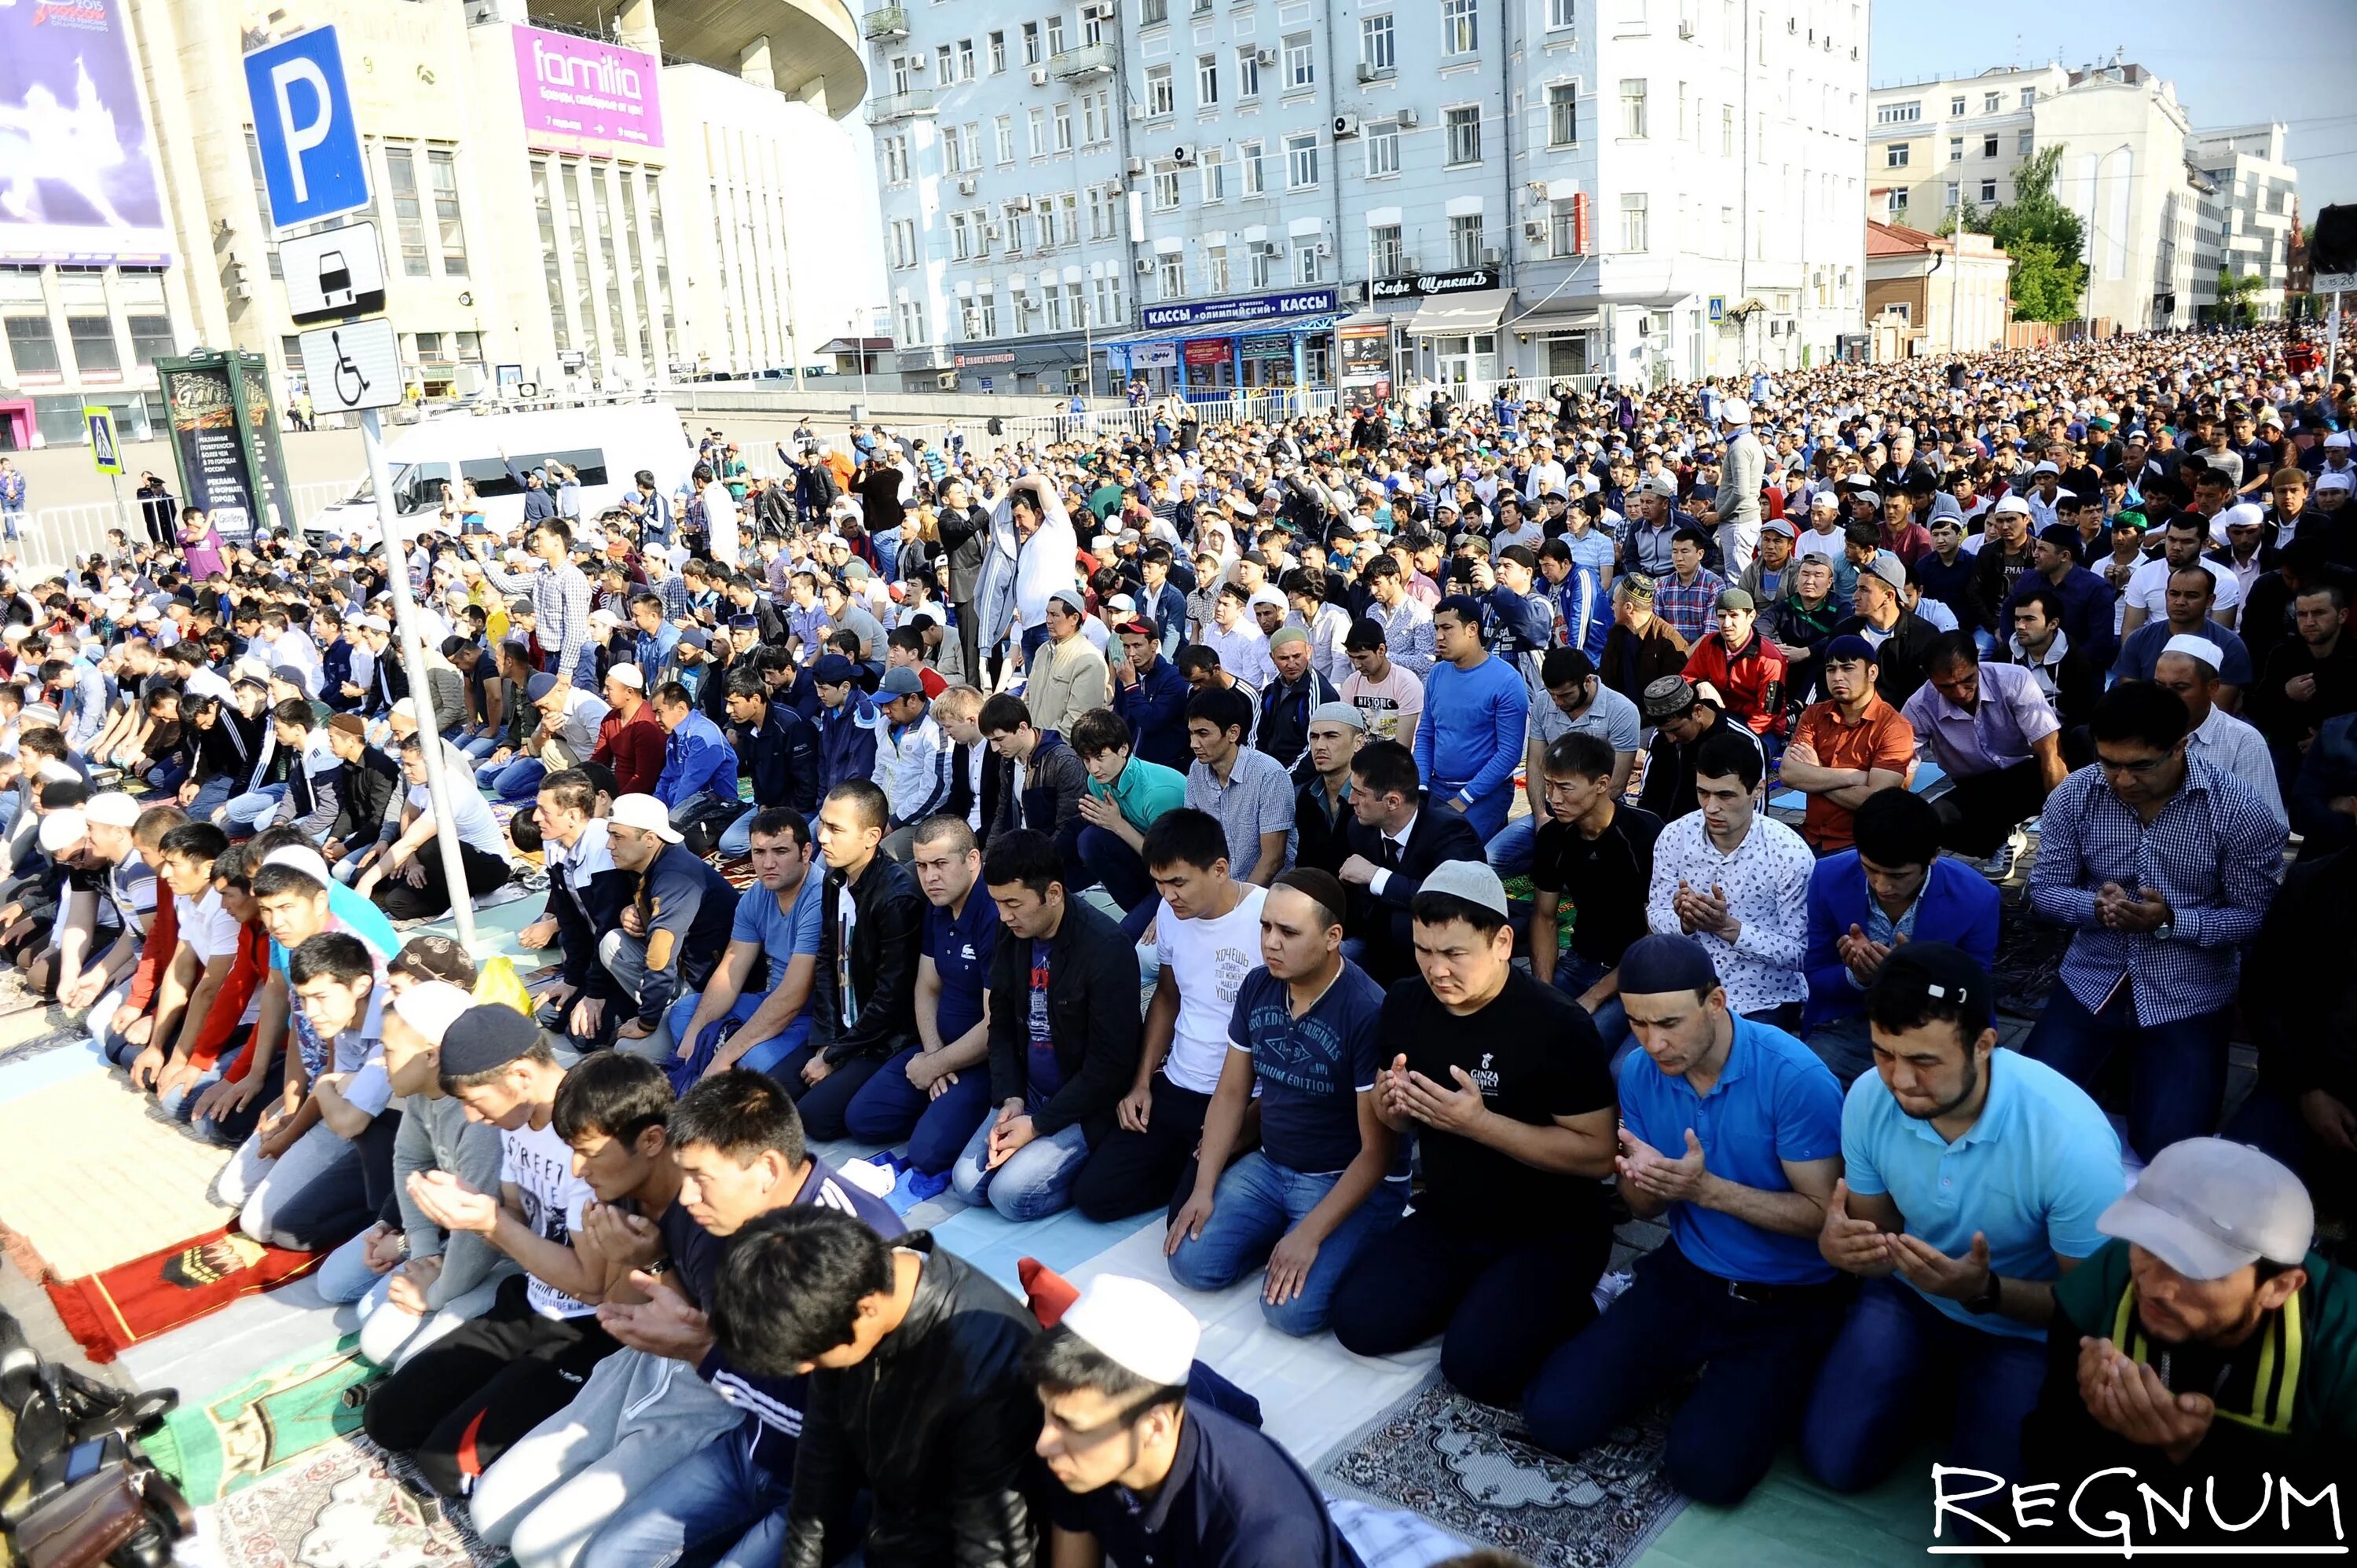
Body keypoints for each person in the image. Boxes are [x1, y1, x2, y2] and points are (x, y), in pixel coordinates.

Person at [475, 1071, 907, 1568]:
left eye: (700, 1179)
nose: (686, 1197)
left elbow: (849, 1425)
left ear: (766, 1168)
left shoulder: (854, 1249)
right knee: (599, 1558)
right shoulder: (725, 1209)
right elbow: (648, 1314)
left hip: (825, 1486)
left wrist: (701, 1350)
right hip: (749, 1448)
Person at [1522, 934, 1845, 1505]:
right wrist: (1640, 1178)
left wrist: (1706, 1189)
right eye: (1639, 1024)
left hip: (1785, 1296)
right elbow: (1644, 1208)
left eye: (1670, 1022)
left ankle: (1766, 1378)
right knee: (1553, 1417)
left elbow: (1824, 1220)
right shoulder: (1642, 1073)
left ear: (1716, 1003)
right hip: (1691, 1272)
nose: (1654, 1042)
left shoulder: (1794, 1078)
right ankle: (1685, 1365)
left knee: (1706, 1474)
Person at [1799, 943, 2124, 1494]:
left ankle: (1953, 1395)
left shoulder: (2070, 1142)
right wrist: (1844, 1250)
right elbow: (1880, 1240)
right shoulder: (1868, 1099)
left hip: (2021, 1329)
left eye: (1925, 1061)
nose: (1899, 1080)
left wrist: (1985, 1290)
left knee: (1986, 1517)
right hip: (1909, 1298)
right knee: (1833, 1464)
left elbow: (2094, 1307)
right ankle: (1940, 1390)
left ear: (1984, 1044)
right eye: (1884, 1053)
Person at [1330, 858, 1619, 1401]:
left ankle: (1590, 1300)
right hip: (1453, 1214)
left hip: (1552, 1228)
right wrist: (1392, 1107)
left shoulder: (1557, 1025)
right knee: (1358, 1323)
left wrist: (1481, 1125)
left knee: (1476, 1369)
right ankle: (1486, 1300)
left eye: (1455, 954)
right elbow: (1391, 1118)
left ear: (1503, 942)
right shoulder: (1406, 1001)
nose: (1438, 970)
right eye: (1424, 950)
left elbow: (1598, 1155)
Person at [2016, 1138, 2353, 1546]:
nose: (2155, 1287)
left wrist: (2194, 1455)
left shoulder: (2343, 1353)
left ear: (2280, 1287)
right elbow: (2047, 1448)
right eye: (2149, 1247)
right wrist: (2087, 1418)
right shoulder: (2106, 1282)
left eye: (2197, 1271)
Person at [361, 1006, 622, 1498]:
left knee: (446, 1468)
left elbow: (590, 1281)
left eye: (476, 1102)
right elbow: (512, 1214)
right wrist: (468, 1213)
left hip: (585, 1328)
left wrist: (489, 1223)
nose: (471, 1117)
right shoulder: (516, 1119)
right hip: (528, 1299)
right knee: (388, 1419)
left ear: (521, 1075)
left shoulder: (590, 1134)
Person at [2024, 683, 2285, 1161]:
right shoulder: (2075, 796)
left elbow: (2254, 919)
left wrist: (2170, 922)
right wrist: (2093, 908)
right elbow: (2042, 891)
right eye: (2110, 762)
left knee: (2170, 1150)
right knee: (2025, 1118)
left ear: (2180, 746)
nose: (2123, 780)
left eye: (2141, 766)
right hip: (2092, 979)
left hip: (2189, 992)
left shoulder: (2239, 809)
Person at [707, 1206, 1043, 1568]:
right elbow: (822, 1455)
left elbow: (992, 1549)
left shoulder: (988, 1364)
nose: (806, 1368)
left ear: (866, 1310)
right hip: (884, 1532)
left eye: (811, 1358)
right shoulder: (836, 1297)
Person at [1153, 868, 1397, 1339]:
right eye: (1265, 927)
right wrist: (1204, 1189)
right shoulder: (1257, 986)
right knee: (1189, 1264)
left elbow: (1378, 1153)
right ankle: (1280, 1235)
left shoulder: (1366, 1011)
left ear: (1333, 938)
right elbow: (1230, 1094)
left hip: (1341, 1176)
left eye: (1288, 932)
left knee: (1289, 1313)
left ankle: (1343, 1238)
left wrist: (1311, 1234)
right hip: (1272, 1165)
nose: (1270, 943)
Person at [1031, 1275, 1364, 1568]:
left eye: (1070, 1425)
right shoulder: (1077, 1458)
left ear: (1154, 1427)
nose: (1044, 1443)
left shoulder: (1262, 1536)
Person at [955, 828, 1142, 1220]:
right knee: (967, 1186)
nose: (1003, 916)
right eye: (998, 903)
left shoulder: (1106, 948)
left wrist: (1038, 1126)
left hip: (1080, 1104)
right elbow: (1001, 1023)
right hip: (1029, 1091)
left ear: (1053, 893)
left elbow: (1111, 1066)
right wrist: (1010, 1099)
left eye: (1013, 904)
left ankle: (1081, 1167)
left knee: (1011, 1197)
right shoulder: (1012, 930)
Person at [1801, 789, 2000, 1086]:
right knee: (1809, 1083)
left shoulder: (1977, 898)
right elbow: (1815, 973)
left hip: (1939, 1025)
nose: (1882, 886)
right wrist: (1859, 977)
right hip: (1849, 1023)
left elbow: (1972, 992)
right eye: (1870, 869)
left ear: (1933, 857)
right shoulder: (1828, 878)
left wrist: (1912, 978)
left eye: (1898, 876)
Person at [840, 815, 999, 1174]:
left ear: (973, 860)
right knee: (862, 1119)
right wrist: (932, 1053)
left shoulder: (992, 912)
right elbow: (927, 986)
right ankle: (940, 1113)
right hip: (938, 1046)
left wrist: (937, 1066)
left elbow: (995, 1025)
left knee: (927, 1156)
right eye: (923, 865)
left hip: (984, 1062)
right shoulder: (938, 905)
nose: (930, 877)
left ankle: (954, 1117)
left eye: (941, 864)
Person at [765, 780, 924, 1137]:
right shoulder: (835, 879)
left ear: (871, 837)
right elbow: (826, 961)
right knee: (769, 1097)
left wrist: (835, 1056)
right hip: (843, 1031)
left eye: (836, 829)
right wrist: (826, 1040)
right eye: (822, 824)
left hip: (881, 1041)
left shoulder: (897, 897)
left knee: (815, 1119)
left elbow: (891, 998)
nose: (822, 837)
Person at [1644, 729, 1812, 1027]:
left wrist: (1730, 929)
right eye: (1703, 793)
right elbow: (1655, 915)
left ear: (1757, 790)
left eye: (1725, 795)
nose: (1711, 807)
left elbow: (1801, 953)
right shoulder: (1675, 837)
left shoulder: (1789, 853)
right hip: (1688, 989)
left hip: (1763, 1000)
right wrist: (1683, 922)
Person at [1526, 731, 1661, 1061]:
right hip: (1579, 960)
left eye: (1565, 788)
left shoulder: (1644, 835)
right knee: (1524, 1029)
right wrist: (1544, 989)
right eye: (1549, 785)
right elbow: (1544, 916)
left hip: (1634, 970)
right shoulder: (1554, 837)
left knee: (1583, 1047)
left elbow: (1654, 933)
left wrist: (1596, 995)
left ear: (1602, 784)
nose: (1553, 798)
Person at [668, 808, 826, 1083]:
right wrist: (695, 1032)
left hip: (810, 1015)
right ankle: (715, 1061)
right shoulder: (756, 895)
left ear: (806, 852)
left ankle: (718, 1063)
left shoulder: (820, 897)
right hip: (770, 1000)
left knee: (754, 1061)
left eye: (780, 852)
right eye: (759, 853)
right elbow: (732, 968)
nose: (767, 864)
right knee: (685, 1014)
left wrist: (726, 1054)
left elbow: (793, 996)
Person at [1903, 632, 2068, 872]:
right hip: (1976, 788)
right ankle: (1999, 840)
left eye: (1968, 679)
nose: (1960, 693)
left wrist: (2062, 833)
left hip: (2027, 773)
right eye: (1946, 687)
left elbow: (2049, 751)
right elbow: (1903, 772)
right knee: (1930, 821)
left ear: (1977, 662)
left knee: (2076, 745)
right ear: (1927, 676)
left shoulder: (2013, 679)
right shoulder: (1918, 707)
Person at [1777, 636, 1915, 855]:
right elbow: (1788, 773)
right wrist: (1855, 776)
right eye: (1831, 669)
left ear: (1872, 673)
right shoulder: (1813, 714)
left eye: (1848, 668)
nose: (1838, 677)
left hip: (1861, 845)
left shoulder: (1895, 727)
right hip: (1809, 835)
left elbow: (1876, 801)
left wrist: (1817, 773)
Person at [1414, 595, 1530, 842]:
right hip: (1437, 785)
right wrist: (1422, 787)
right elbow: (1426, 735)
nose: (1438, 636)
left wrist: (1465, 798)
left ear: (1472, 629)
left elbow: (1509, 753)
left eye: (1447, 628)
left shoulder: (1507, 681)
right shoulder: (1437, 675)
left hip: (1486, 792)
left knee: (1453, 846)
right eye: (1436, 628)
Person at [1069, 706, 1187, 939]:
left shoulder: (1156, 793)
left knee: (1121, 941)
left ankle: (1150, 917)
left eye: (1100, 757)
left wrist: (1118, 824)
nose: (1093, 768)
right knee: (1090, 840)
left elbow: (1172, 863)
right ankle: (1139, 912)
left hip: (1178, 871)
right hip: (1148, 865)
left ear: (1123, 749)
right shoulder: (1097, 782)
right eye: (1087, 759)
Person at [2153, 638, 2287, 827]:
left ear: (2212, 687)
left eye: (2180, 688)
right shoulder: (2138, 731)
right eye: (2159, 686)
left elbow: (2266, 825)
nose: (2166, 696)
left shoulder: (2243, 741)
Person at [1180, 685, 1294, 888]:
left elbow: (1273, 860)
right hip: (1216, 889)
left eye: (1203, 734)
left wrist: (1237, 904)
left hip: (1265, 895)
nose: (1194, 744)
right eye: (1191, 734)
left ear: (1233, 733)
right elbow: (1192, 838)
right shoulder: (1197, 769)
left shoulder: (1269, 774)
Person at [979, 691, 1090, 869]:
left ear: (1022, 728)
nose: (994, 748)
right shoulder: (1007, 760)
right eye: (990, 741)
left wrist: (1032, 866)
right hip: (1020, 853)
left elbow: (1069, 827)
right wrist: (988, 858)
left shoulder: (1064, 762)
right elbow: (1002, 813)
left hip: (1052, 864)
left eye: (999, 739)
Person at [1680, 588, 1789, 742]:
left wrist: (1735, 739)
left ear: (1751, 616)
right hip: (1719, 716)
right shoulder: (1709, 644)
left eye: (1734, 616)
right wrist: (1700, 683)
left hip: (1762, 727)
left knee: (1740, 759)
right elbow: (1686, 677)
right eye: (1721, 616)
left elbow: (1769, 712)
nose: (1726, 624)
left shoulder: (1771, 659)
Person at [1834, 555, 1943, 707]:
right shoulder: (1844, 633)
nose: (1855, 597)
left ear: (1889, 596)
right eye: (1857, 588)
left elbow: (1927, 696)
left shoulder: (1923, 636)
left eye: (1864, 590)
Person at [868, 667, 953, 859]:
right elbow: (880, 771)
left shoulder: (935, 729)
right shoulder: (884, 724)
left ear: (913, 699)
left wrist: (894, 822)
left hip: (921, 822)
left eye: (890, 703)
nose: (884, 710)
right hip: (885, 815)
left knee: (880, 857)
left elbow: (936, 790)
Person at [1109, 616, 1192, 771]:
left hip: (1165, 769)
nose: (1131, 653)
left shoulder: (1174, 678)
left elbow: (1150, 722)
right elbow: (1119, 718)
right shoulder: (1125, 676)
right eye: (1126, 646)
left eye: (1137, 645)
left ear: (1154, 645)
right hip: (1130, 766)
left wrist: (1131, 686)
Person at [1028, 587, 1113, 736]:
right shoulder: (1043, 651)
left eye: (1055, 615)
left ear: (1074, 618)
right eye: (1047, 614)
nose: (1048, 620)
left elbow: (1078, 721)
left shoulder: (1090, 661)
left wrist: (1039, 740)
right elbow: (1028, 698)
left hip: (1062, 751)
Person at [1599, 576, 1692, 705]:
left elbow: (1673, 696)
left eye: (1614, 602)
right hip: (1619, 712)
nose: (1612, 607)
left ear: (1628, 607)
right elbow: (1606, 680)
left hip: (1656, 718)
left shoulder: (1669, 641)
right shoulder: (1617, 633)